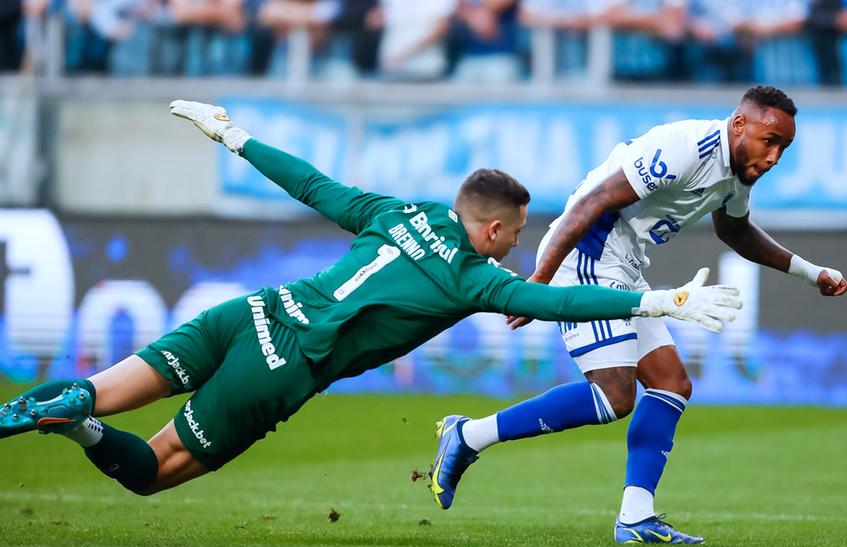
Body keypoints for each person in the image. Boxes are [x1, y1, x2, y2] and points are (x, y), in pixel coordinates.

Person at [0, 100, 742, 498]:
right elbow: (552, 306)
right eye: (513, 235)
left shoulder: (400, 212)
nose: (515, 246)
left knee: (99, 388)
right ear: (489, 228)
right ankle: (80, 433)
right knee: (152, 473)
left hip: (248, 313)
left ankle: (46, 411)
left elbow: (316, 186)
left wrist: (235, 137)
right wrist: (658, 306)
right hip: (282, 366)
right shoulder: (470, 276)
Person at [428, 85, 847, 545]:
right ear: (739, 125)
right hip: (587, 253)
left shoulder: (737, 175)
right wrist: (541, 281)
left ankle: (635, 518)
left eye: (783, 148)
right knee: (615, 394)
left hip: (623, 262)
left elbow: (736, 231)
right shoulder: (685, 148)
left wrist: (811, 273)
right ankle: (469, 436)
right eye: (770, 141)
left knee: (671, 383)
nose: (773, 157)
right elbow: (593, 202)